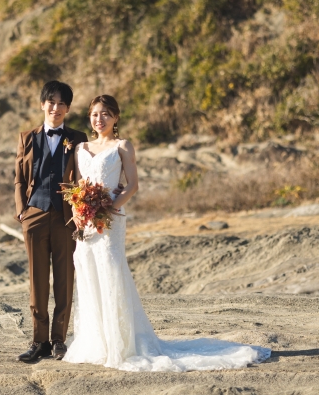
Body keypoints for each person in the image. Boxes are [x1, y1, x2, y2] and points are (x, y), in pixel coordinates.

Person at [62, 94, 271, 371]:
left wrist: (109, 206)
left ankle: (120, 344)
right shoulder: (81, 147)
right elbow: (79, 184)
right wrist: (79, 210)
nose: (99, 119)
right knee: (88, 271)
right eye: (95, 114)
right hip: (86, 222)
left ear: (116, 117)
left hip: (111, 219)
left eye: (105, 114)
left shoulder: (122, 146)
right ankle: (95, 342)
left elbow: (132, 185)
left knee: (111, 271)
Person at [14, 81, 88, 363]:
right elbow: (19, 178)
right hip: (34, 215)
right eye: (51, 102)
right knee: (38, 281)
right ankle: (38, 341)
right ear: (42, 104)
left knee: (65, 281)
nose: (56, 108)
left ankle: (59, 340)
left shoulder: (78, 138)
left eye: (61, 104)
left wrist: (82, 210)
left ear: (68, 108)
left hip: (66, 218)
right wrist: (23, 211)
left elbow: (85, 177)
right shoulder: (27, 137)